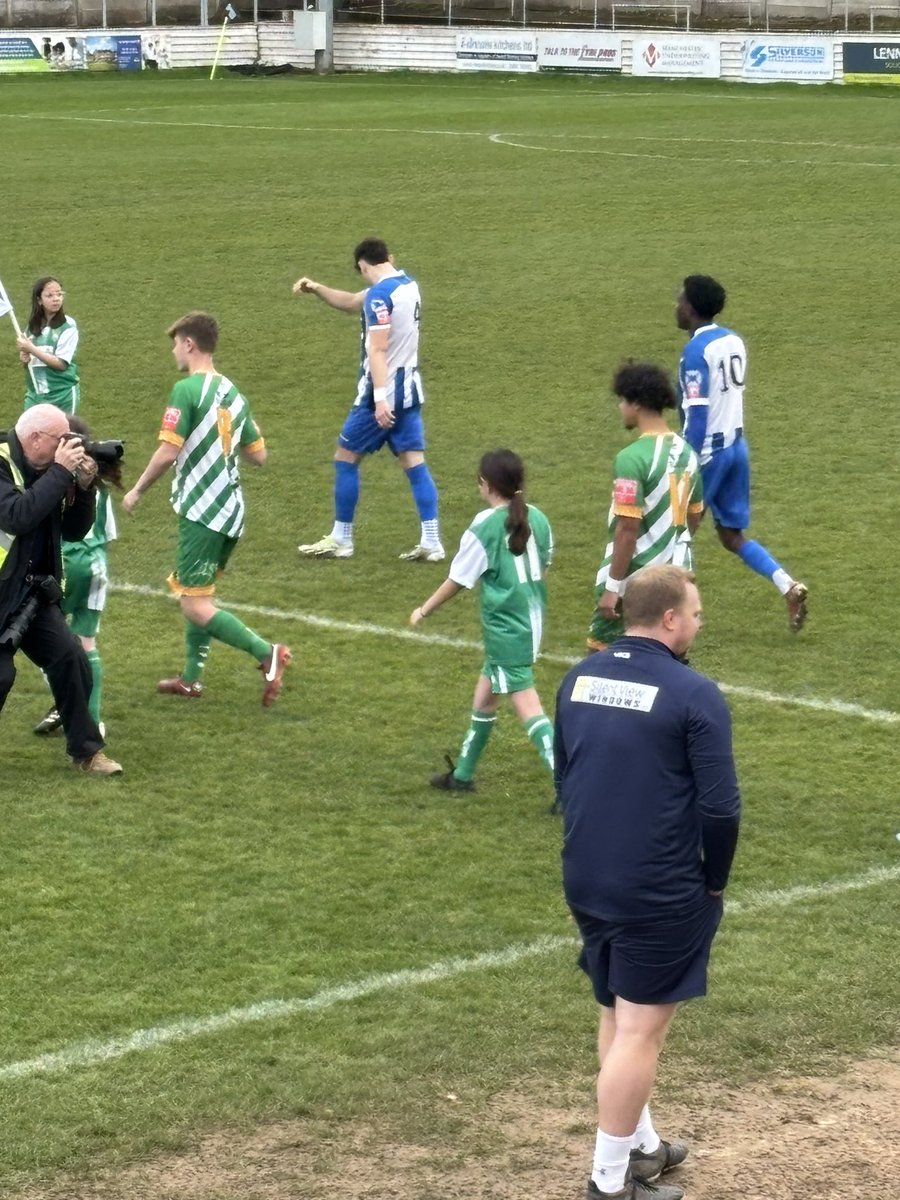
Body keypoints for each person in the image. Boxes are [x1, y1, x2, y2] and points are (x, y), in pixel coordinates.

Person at [555, 565, 740, 1200]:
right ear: (668, 619)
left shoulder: (579, 678)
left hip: (587, 873)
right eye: (694, 612)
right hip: (658, 885)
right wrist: (714, 880)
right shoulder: (694, 694)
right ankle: (610, 1182)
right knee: (641, 1031)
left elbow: (566, 771)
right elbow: (721, 808)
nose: (698, 621)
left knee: (616, 1007)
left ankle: (642, 1147)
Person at [122, 311, 291, 705]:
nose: (173, 350)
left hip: (202, 511)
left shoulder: (186, 390)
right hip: (231, 510)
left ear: (189, 344)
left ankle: (268, 653)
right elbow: (260, 455)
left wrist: (137, 491)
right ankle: (191, 680)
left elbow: (167, 453)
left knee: (195, 605)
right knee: (198, 593)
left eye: (175, 342)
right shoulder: (234, 393)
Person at [410, 449, 554, 794]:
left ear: (486, 485)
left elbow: (459, 579)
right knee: (486, 697)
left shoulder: (484, 526)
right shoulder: (539, 519)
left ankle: (570, 784)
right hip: (530, 621)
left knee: (528, 707)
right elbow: (544, 568)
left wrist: (424, 609)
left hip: (507, 629)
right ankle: (462, 775)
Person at [293, 238, 443, 562]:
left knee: (345, 457)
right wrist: (316, 288)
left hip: (382, 393)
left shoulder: (379, 295)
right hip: (410, 390)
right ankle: (432, 541)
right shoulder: (407, 286)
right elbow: (351, 302)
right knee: (414, 463)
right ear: (389, 257)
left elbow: (377, 349)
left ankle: (341, 538)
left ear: (362, 265)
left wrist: (379, 399)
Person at [676, 274, 808, 631]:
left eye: (680, 300)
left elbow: (699, 415)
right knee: (731, 536)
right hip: (737, 447)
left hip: (709, 455)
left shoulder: (694, 352)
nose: (676, 305)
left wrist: (683, 460)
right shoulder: (733, 340)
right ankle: (787, 585)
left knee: (677, 533)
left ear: (690, 308)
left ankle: (676, 617)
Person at [0, 404, 122, 775]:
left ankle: (86, 752)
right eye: (59, 440)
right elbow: (17, 516)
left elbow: (73, 531)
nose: (64, 448)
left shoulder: (45, 468)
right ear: (35, 438)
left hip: (31, 592)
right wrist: (60, 471)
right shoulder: (2, 462)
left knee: (71, 659)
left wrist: (82, 489)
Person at [588, 363, 703, 654]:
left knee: (600, 659)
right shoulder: (688, 454)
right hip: (677, 578)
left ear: (636, 403)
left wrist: (613, 587)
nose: (620, 407)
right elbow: (694, 515)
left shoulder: (631, 458)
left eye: (623, 401)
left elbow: (628, 530)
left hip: (636, 579)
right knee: (668, 660)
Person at [33, 415, 121, 739]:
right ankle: (93, 720)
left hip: (69, 565)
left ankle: (65, 702)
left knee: (43, 638)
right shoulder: (97, 484)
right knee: (87, 643)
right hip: (98, 568)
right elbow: (108, 536)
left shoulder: (57, 481)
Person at [16, 276, 80, 413]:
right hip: (35, 396)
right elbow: (31, 364)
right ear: (39, 300)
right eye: (50, 295)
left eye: (59, 294)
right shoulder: (31, 328)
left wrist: (32, 349)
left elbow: (61, 364)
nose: (56, 298)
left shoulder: (68, 327)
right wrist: (25, 358)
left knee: (61, 434)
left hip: (61, 396)